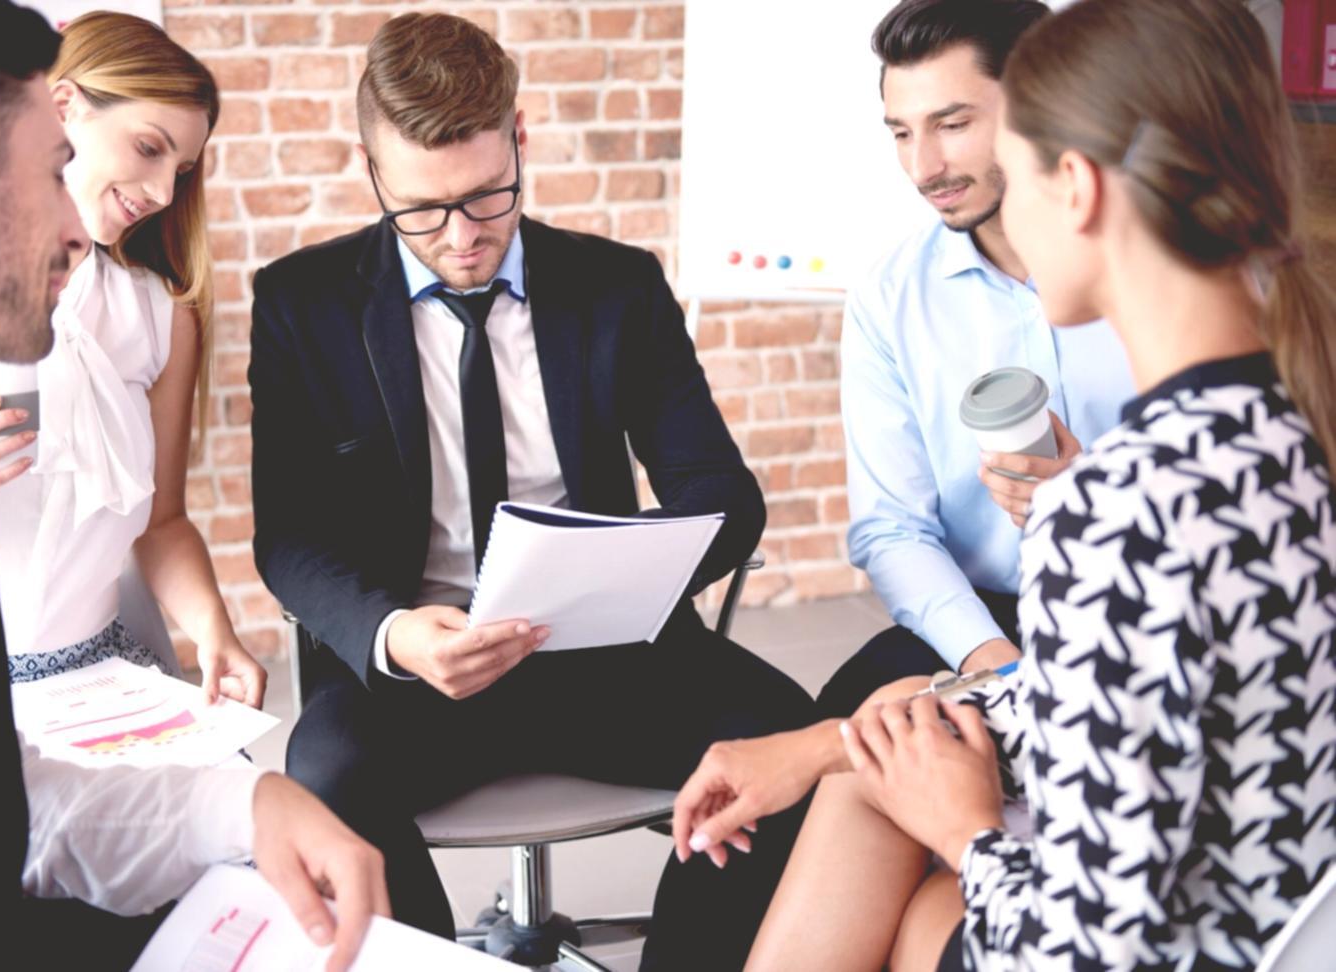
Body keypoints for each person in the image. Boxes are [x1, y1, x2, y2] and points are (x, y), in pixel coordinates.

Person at [691, 0, 1336, 969]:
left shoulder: (1116, 506)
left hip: (1190, 945)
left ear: (1071, 187)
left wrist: (965, 834)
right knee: (903, 836)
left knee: (917, 873)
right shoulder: (1283, 439)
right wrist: (835, 742)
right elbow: (1146, 712)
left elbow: (1090, 949)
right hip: (1280, 916)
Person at [248, 12, 815, 968]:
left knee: (793, 743)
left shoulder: (617, 287)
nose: (461, 237)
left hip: (605, 653)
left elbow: (721, 492)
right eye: (421, 210)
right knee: (325, 774)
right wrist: (393, 633)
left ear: (520, 138)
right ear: (369, 168)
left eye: (486, 197)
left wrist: (621, 566)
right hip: (420, 669)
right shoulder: (300, 305)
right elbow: (291, 538)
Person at [0, 4, 388, 969]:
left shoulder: (145, 315)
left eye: (182, 168)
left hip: (69, 725)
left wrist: (240, 798)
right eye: (50, 171)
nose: (87, 223)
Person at [819, 0, 1135, 721]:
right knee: (828, 752)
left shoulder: (1151, 272)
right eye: (901, 133)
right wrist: (992, 663)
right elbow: (893, 528)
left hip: (1144, 603)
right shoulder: (891, 294)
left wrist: (1093, 502)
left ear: (1039, 104)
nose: (922, 167)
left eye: (952, 124)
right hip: (982, 619)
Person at [0, 11, 265, 706]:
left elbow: (164, 520)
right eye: (148, 148)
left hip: (102, 682)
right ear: (64, 109)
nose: (162, 193)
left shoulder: (159, 317)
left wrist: (215, 632)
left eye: (182, 170)